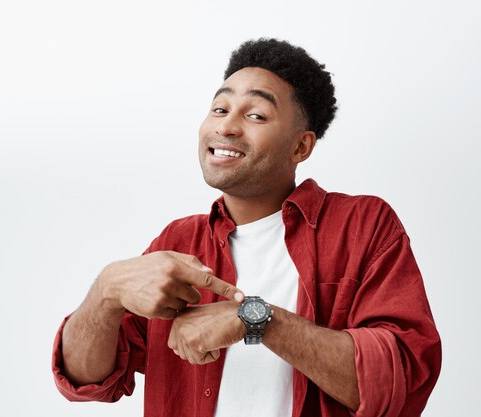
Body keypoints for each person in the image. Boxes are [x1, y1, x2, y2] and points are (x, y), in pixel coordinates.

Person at [52, 38, 441, 417]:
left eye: (255, 115)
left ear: (301, 148)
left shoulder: (362, 226)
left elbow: (400, 384)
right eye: (220, 109)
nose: (228, 127)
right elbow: (86, 380)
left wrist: (256, 320)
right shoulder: (176, 241)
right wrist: (107, 291)